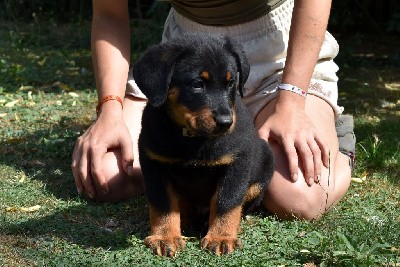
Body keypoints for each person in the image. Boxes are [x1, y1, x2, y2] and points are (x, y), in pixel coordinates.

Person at [71, 0, 355, 220]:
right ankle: (245, 139)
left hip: (281, 56)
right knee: (108, 177)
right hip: (186, 59)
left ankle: (339, 147)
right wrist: (110, 109)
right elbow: (110, 14)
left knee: (297, 199)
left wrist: (292, 102)